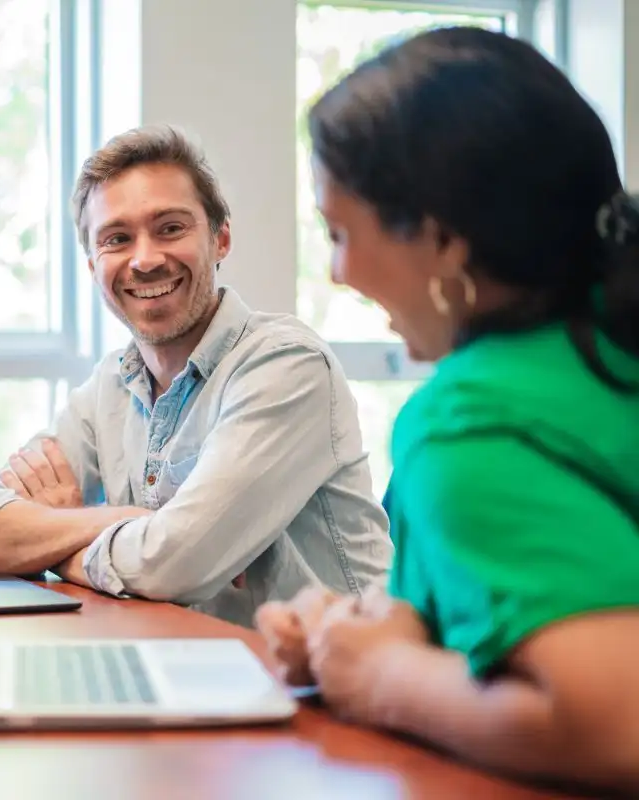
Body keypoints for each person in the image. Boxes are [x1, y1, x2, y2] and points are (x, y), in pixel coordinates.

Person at [255, 27, 639, 795]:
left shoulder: (468, 422)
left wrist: (385, 676)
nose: (337, 272)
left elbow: (619, 725)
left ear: (442, 241)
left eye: (340, 233)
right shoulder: (602, 341)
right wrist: (381, 624)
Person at [0, 125, 393, 627]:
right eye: (117, 239)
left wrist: (51, 544)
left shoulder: (286, 366)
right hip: (186, 673)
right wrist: (120, 522)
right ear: (94, 264)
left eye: (170, 228)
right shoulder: (110, 387)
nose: (144, 259)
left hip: (323, 690)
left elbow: (174, 565)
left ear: (220, 238)